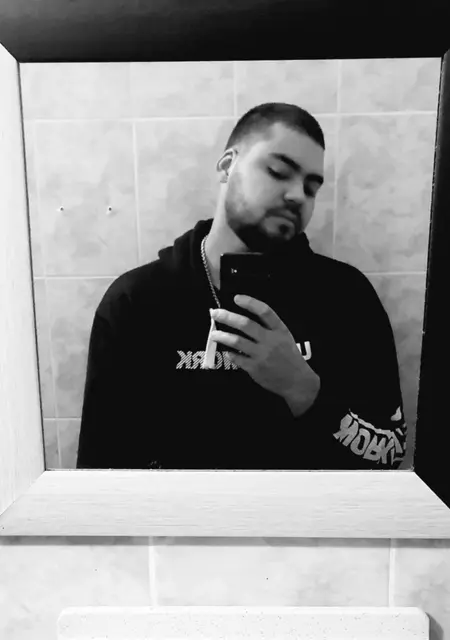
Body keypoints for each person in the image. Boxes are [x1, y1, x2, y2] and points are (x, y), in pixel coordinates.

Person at [76, 102, 407, 471]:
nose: (298, 195)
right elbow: (100, 469)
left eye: (311, 187)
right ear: (226, 166)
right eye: (279, 172)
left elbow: (390, 454)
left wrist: (303, 390)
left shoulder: (346, 297)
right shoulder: (137, 302)